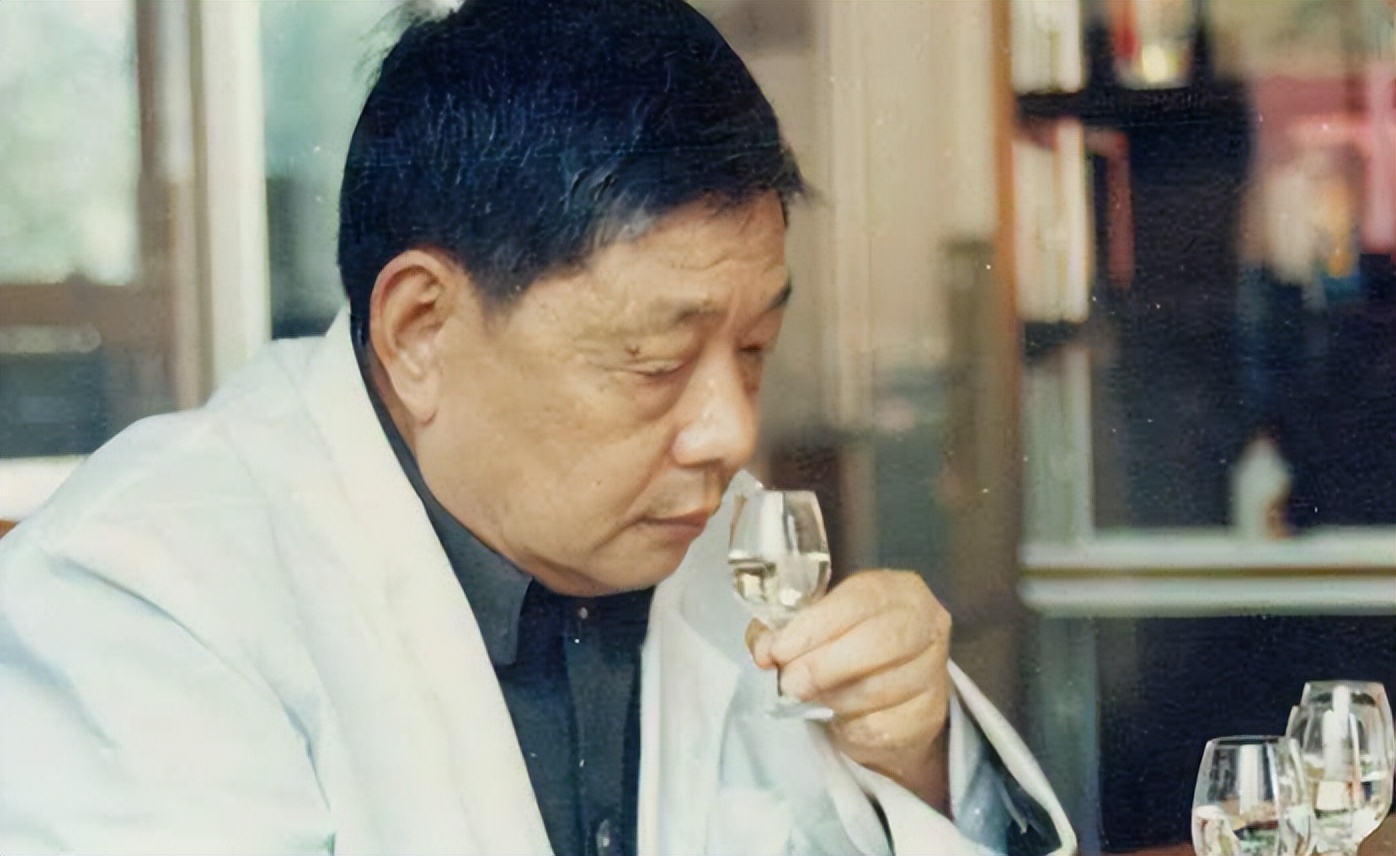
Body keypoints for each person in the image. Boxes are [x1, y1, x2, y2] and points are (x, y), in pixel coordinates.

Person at [0, 2, 1075, 853]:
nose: (727, 432)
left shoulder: (719, 545)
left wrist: (913, 759)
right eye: (654, 362)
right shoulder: (142, 596)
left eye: (755, 348)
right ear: (421, 331)